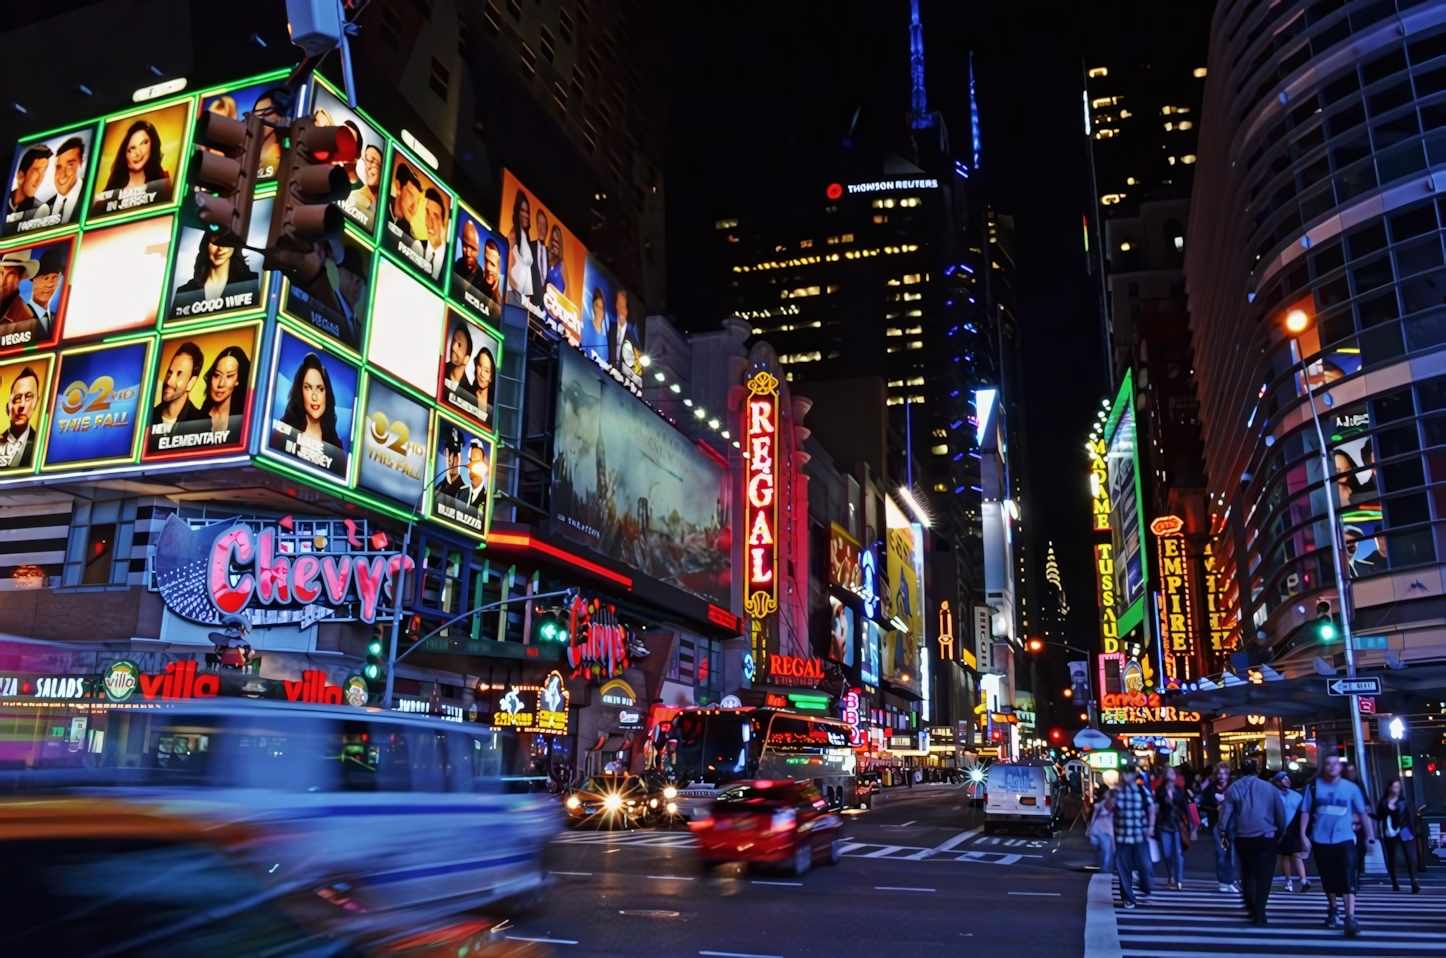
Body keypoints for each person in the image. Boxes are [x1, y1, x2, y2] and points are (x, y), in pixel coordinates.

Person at [1300, 755, 1376, 937]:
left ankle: (1350, 917)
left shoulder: (1351, 788)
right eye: (1328, 763)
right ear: (1323, 767)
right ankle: (1333, 909)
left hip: (1345, 839)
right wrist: (1303, 835)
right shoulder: (1313, 787)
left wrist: (1370, 836)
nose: (1332, 767)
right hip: (1320, 839)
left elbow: (1363, 813)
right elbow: (1305, 812)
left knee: (1349, 877)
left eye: (1335, 764)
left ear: (1340, 768)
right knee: (1329, 878)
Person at [1219, 759, 1286, 926]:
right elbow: (1280, 814)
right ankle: (1260, 911)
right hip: (1266, 835)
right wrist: (1280, 832)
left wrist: (1223, 833)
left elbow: (1225, 815)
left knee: (1248, 873)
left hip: (1243, 837)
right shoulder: (1269, 788)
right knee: (1264, 876)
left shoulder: (1233, 788)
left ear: (1241, 770)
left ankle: (1250, 904)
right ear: (1257, 770)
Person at [1112, 769, 1156, 908]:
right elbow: (1108, 811)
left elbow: (1151, 808)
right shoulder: (1117, 791)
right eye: (1124, 774)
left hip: (1139, 836)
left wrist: (1150, 827)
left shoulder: (1141, 790)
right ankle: (1128, 897)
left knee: (1145, 864)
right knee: (1123, 869)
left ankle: (1145, 885)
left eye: (1129, 774)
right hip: (1121, 837)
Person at [280, 352, 344, 449]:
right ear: (301, 392)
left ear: (327, 393)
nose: (314, 397)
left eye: (320, 389)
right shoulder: (284, 428)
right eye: (308, 388)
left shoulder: (335, 443)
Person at [176, 231, 257, 304]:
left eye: (227, 242)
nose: (221, 248)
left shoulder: (251, 282)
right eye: (216, 241)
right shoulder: (185, 291)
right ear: (206, 244)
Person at [1374, 776, 1420, 894]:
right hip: (1389, 833)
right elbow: (1379, 817)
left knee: (1410, 858)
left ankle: (1414, 883)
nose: (1396, 789)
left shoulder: (1403, 801)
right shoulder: (1383, 802)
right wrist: (1368, 814)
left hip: (1403, 831)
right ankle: (1394, 883)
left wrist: (1411, 831)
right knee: (1391, 858)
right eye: (1394, 786)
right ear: (1389, 788)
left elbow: (1408, 817)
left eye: (1398, 787)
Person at [149, 341, 206, 432]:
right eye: (169, 373)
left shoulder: (203, 423)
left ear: (191, 382)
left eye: (179, 374)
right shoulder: (146, 418)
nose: (170, 381)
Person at [102, 119, 167, 195]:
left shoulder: (163, 183)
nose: (138, 153)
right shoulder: (109, 194)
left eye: (144, 143)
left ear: (153, 145)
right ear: (125, 153)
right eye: (132, 148)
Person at [1271, 770, 1309, 893]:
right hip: (1280, 830)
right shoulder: (1274, 795)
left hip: (1293, 829)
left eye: (1287, 778)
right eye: (1283, 779)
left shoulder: (1296, 796)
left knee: (1295, 855)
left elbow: (1303, 812)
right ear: (1277, 782)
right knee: (1286, 856)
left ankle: (1301, 880)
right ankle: (1291, 881)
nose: (1287, 781)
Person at [199, 345, 249, 436]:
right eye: (217, 375)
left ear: (238, 380)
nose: (221, 384)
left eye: (229, 376)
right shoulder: (196, 418)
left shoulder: (247, 420)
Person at [1154, 766, 1189, 890]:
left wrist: (1189, 825)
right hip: (1164, 824)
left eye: (1173, 773)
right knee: (1167, 853)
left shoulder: (1179, 790)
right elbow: (1156, 807)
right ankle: (1171, 875)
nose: (1172, 775)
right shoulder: (1160, 791)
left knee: (1179, 853)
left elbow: (1185, 807)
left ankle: (1179, 879)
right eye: (1169, 773)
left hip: (1178, 824)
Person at [0, 366, 40, 469]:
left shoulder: (42, 445)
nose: (22, 405)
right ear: (8, 406)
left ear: (36, 402)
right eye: (17, 398)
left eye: (28, 397)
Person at [40, 137, 85, 225]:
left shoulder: (93, 197)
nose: (62, 174)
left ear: (81, 163)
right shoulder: (44, 210)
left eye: (70, 165)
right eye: (59, 167)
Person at [26, 246, 65, 339]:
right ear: (34, 281)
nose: (49, 284)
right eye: (45, 278)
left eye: (54, 278)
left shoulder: (60, 320)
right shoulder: (16, 319)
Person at [505, 189, 534, 305]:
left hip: (521, 299)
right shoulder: (514, 235)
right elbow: (506, 265)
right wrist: (515, 291)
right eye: (522, 210)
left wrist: (526, 299)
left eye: (527, 211)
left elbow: (527, 272)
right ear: (517, 212)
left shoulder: (524, 237)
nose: (526, 215)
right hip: (512, 296)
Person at [7, 146, 50, 218]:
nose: (39, 180)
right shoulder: (4, 201)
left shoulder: (40, 209)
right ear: (21, 176)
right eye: (36, 171)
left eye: (43, 172)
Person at [0, 250, 40, 325]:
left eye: (11, 275)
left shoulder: (26, 319)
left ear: (21, 276)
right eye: (1, 272)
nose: (2, 281)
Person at [389, 163, 422, 246]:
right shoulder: (379, 203)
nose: (413, 207)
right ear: (398, 185)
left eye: (417, 201)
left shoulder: (414, 237)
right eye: (411, 196)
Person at [1088, 787, 1117, 875]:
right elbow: (1094, 817)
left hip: (1107, 832)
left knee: (1107, 852)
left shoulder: (1116, 811)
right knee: (1106, 851)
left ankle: (1106, 870)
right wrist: (1090, 829)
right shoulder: (1100, 806)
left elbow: (1112, 831)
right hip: (1099, 830)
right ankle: (1106, 870)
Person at [423, 188, 448, 280]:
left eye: (436, 216)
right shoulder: (416, 245)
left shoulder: (452, 261)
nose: (430, 223)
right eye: (427, 213)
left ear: (444, 223)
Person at [354, 144, 383, 218]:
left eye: (375, 163)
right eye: (367, 160)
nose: (369, 166)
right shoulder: (356, 197)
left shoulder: (386, 207)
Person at [475, 346, 495, 420]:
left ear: (491, 378)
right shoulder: (466, 391)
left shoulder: (494, 404)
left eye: (486, 371)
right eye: (480, 366)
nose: (482, 374)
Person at [482, 238, 503, 304]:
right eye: (486, 261)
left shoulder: (500, 305)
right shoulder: (475, 288)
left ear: (498, 270)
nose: (488, 267)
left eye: (492, 264)